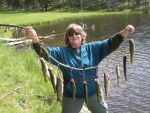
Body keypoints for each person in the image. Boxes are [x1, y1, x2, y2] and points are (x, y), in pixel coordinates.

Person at [26, 23, 135, 113]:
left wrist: (125, 32)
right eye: (71, 34)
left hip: (93, 91)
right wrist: (35, 39)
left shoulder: (93, 48)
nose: (74, 36)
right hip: (72, 94)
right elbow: (45, 53)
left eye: (77, 33)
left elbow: (110, 44)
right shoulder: (61, 52)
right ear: (68, 38)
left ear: (82, 35)